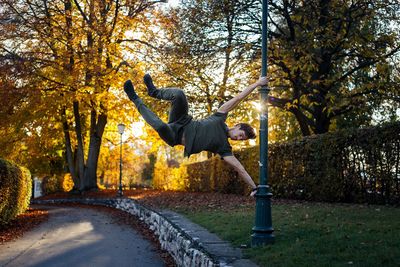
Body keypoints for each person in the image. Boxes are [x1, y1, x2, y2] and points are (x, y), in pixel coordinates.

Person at [124, 74, 267, 196]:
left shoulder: (225, 149)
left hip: (174, 136)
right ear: (237, 126)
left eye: (242, 139)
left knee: (160, 126)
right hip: (181, 120)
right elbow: (238, 98)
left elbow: (240, 168)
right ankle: (154, 91)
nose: (239, 139)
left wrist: (254, 187)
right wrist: (257, 83)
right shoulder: (220, 117)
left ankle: (134, 98)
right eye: (241, 135)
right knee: (179, 94)